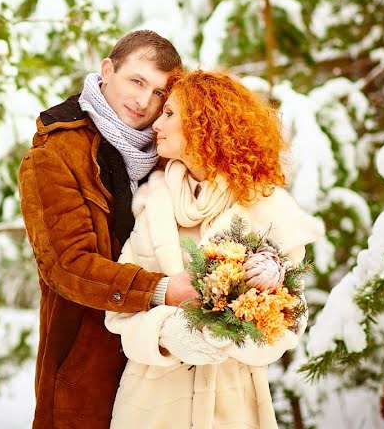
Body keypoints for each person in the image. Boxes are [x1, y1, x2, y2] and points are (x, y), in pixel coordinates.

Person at [105, 70, 325, 429]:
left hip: (234, 407)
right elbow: (118, 312)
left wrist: (233, 336)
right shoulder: (152, 204)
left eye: (170, 113)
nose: (156, 122)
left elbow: (292, 320)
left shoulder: (267, 209)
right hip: (151, 407)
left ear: (204, 125)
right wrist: (167, 334)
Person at [18, 30, 207, 429]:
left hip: (165, 364)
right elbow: (68, 266)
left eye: (159, 93)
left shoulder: (170, 154)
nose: (144, 101)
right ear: (107, 70)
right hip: (87, 367)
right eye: (136, 81)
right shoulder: (53, 156)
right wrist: (162, 289)